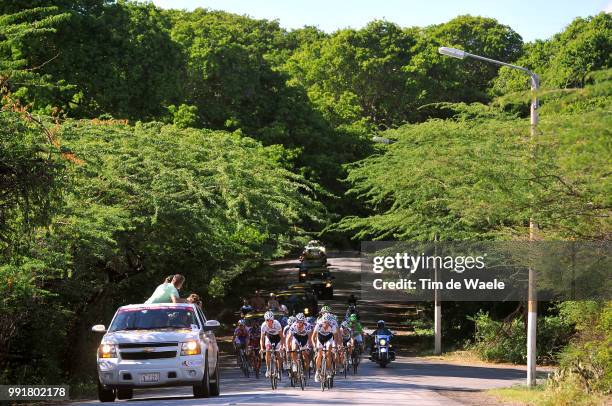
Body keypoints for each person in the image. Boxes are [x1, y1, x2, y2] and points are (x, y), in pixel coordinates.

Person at [311, 313, 337, 383]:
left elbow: (335, 337)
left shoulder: (332, 326)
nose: (326, 324)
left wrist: (335, 345)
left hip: (329, 338)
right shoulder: (318, 325)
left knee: (328, 352)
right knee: (319, 354)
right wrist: (314, 346)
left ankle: (328, 370)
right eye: (325, 322)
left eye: (328, 323)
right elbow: (313, 337)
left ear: (330, 322)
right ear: (322, 322)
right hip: (320, 338)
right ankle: (317, 371)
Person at [260, 311, 284, 378]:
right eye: (267, 320)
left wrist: (282, 346)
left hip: (277, 338)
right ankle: (268, 369)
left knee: (278, 353)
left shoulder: (277, 324)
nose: (269, 322)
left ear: (273, 320)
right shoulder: (263, 325)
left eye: (271, 320)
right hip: (269, 338)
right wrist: (262, 347)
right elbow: (262, 338)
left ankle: (279, 370)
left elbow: (282, 337)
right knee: (267, 351)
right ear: (265, 320)